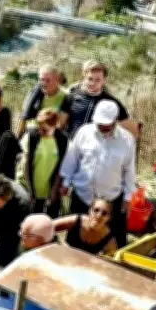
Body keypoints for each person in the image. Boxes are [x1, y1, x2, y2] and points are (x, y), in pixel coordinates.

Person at [59, 99, 136, 249]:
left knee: (108, 243)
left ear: (115, 120)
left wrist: (128, 197)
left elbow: (129, 170)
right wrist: (65, 182)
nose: (102, 127)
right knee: (76, 241)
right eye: (100, 124)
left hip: (110, 200)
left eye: (106, 125)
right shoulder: (84, 132)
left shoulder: (126, 140)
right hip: (82, 196)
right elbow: (72, 159)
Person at [60, 60, 139, 139]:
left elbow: (133, 132)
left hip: (96, 149)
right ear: (84, 77)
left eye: (97, 80)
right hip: (72, 146)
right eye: (90, 79)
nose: (92, 83)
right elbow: (60, 125)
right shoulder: (71, 97)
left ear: (104, 81)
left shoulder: (111, 102)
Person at [16, 108, 69, 218]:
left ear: (55, 126)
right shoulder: (30, 137)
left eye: (44, 130)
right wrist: (30, 192)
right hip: (28, 186)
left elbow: (61, 167)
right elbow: (25, 166)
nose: (39, 131)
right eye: (38, 127)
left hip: (49, 189)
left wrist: (54, 190)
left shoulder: (62, 140)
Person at [16, 64, 67, 138]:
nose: (43, 83)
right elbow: (23, 116)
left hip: (53, 137)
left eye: (48, 80)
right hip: (33, 135)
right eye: (41, 80)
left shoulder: (66, 96)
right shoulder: (34, 96)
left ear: (57, 80)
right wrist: (16, 139)